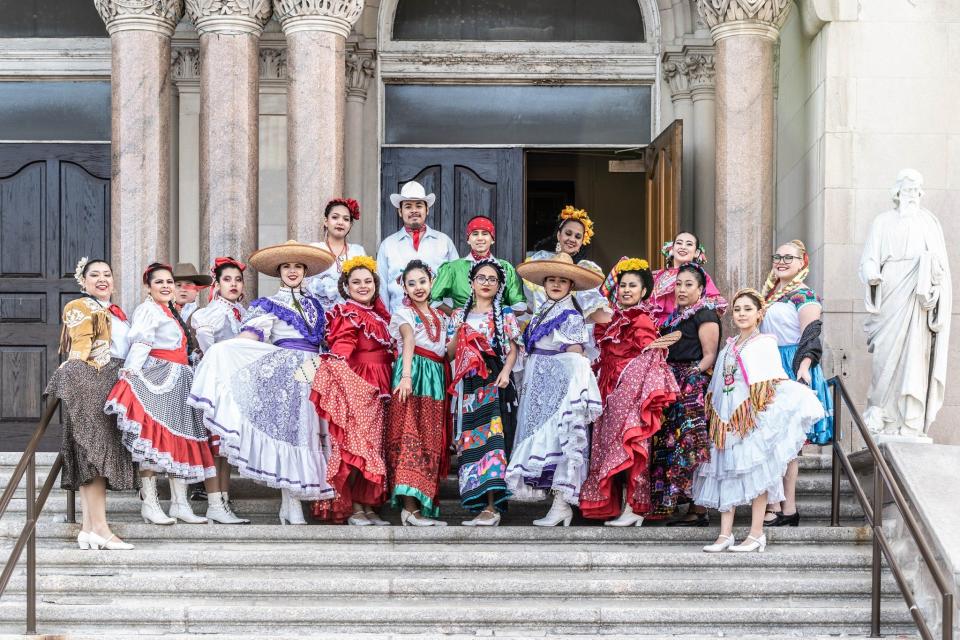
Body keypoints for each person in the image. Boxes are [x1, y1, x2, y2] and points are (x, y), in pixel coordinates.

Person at [188, 241, 336, 525]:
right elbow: (251, 338)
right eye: (287, 267)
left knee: (307, 433)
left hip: (313, 371)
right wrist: (222, 350)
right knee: (289, 433)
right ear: (279, 272)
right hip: (288, 374)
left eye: (297, 266)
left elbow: (324, 342)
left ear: (305, 271)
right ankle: (289, 503)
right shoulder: (269, 304)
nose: (292, 271)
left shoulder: (316, 305)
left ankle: (294, 503)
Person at [695, 289, 825, 553]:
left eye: (748, 309)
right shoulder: (728, 348)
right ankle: (725, 534)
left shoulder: (765, 343)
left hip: (752, 419)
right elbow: (720, 385)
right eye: (738, 309)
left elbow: (771, 382)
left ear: (759, 314)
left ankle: (756, 534)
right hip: (728, 420)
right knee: (726, 474)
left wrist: (758, 414)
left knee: (757, 475)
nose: (742, 314)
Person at [104, 263, 218, 526]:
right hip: (159, 374)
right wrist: (130, 372)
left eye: (169, 282)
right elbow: (142, 342)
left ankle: (180, 504)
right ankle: (150, 503)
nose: (166, 286)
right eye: (160, 282)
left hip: (179, 377)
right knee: (152, 437)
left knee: (176, 439)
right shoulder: (148, 310)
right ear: (149, 287)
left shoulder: (169, 311)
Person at [45, 258, 137, 550]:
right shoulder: (81, 306)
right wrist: (72, 370)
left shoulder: (116, 312)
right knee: (94, 453)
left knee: (92, 452)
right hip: (93, 378)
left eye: (107, 274)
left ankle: (88, 528)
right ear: (82, 282)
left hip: (111, 381)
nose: (102, 279)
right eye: (94, 275)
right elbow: (81, 343)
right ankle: (101, 528)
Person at [506, 252, 603, 526]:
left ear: (571, 286)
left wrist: (572, 393)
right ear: (545, 284)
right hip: (539, 380)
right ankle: (557, 505)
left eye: (563, 281)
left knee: (560, 439)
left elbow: (574, 352)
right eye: (552, 280)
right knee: (545, 439)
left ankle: (562, 505)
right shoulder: (543, 310)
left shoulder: (569, 314)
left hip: (556, 383)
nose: (557, 285)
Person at [580, 259, 680, 527]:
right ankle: (615, 506)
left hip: (630, 391)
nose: (625, 290)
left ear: (644, 291)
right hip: (608, 389)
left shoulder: (641, 318)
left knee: (631, 446)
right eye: (622, 285)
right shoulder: (613, 316)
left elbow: (650, 355)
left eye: (632, 286)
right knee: (609, 446)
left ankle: (634, 507)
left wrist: (633, 390)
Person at [858, 168, 952, 437]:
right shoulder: (882, 222)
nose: (912, 195)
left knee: (915, 356)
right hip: (889, 291)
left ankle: (909, 418)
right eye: (908, 189)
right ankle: (881, 413)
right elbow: (869, 258)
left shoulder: (929, 223)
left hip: (917, 296)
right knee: (884, 358)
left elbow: (941, 269)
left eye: (916, 190)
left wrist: (935, 289)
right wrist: (872, 273)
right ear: (897, 192)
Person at [310, 256, 395, 526]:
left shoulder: (380, 316)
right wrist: (344, 376)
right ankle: (355, 507)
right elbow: (343, 346)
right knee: (357, 446)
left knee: (374, 447)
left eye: (367, 281)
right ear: (345, 286)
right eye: (356, 282)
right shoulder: (347, 312)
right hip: (360, 383)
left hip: (382, 384)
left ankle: (369, 506)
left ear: (375, 284)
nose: (362, 286)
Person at [760, 240, 833, 527]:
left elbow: (811, 337)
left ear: (802, 261)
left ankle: (786, 506)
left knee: (788, 444)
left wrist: (802, 371)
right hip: (766, 366)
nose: (781, 261)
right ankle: (776, 503)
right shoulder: (770, 294)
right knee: (769, 441)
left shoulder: (804, 295)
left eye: (788, 257)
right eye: (777, 256)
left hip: (791, 366)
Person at [447, 259, 523, 526]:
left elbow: (514, 348)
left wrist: (506, 371)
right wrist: (458, 333)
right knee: (471, 446)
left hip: (495, 381)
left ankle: (493, 507)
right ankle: (480, 506)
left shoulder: (505, 314)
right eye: (482, 278)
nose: (487, 283)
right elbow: (450, 352)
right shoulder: (459, 315)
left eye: (492, 279)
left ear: (499, 285)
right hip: (469, 386)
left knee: (493, 445)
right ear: (472, 282)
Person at [648, 263, 720, 525]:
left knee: (691, 444)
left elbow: (710, 355)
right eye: (678, 284)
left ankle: (699, 509)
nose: (682, 289)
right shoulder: (671, 320)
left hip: (693, 385)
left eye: (688, 284)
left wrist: (689, 377)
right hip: (670, 383)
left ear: (700, 289)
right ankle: (678, 502)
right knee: (671, 443)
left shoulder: (705, 314)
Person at [187, 256, 251, 524]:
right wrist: (216, 358)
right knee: (214, 444)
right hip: (216, 382)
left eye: (237, 280)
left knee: (223, 446)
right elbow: (203, 334)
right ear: (217, 284)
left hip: (231, 384)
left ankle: (223, 501)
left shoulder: (241, 312)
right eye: (227, 279)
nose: (233, 284)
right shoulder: (214, 310)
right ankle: (214, 502)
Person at [386, 260, 450, 526]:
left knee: (430, 441)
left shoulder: (441, 316)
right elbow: (409, 339)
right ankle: (409, 509)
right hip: (413, 373)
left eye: (422, 281)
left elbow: (447, 352)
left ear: (431, 281)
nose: (418, 287)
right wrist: (407, 377)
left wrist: (467, 328)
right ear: (404, 287)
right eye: (411, 283)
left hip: (435, 375)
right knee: (410, 437)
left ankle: (422, 508)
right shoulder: (404, 314)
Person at [525, 206, 608, 359]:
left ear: (582, 241)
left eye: (577, 236)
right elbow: (530, 305)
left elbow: (596, 313)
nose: (572, 239)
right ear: (558, 235)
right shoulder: (540, 261)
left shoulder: (585, 271)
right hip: (540, 340)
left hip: (568, 343)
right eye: (568, 233)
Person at [377, 181, 459, 313]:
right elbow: (381, 288)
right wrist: (387, 322)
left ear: (427, 210)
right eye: (408, 206)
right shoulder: (387, 245)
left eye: (419, 206)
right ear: (400, 211)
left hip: (439, 321)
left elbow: (457, 282)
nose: (414, 210)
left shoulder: (444, 242)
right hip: (399, 320)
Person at [430, 215, 525, 313]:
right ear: (468, 239)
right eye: (475, 234)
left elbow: (519, 306)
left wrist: (496, 318)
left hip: (497, 326)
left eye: (485, 233)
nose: (480, 238)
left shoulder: (505, 267)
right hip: (461, 326)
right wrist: (457, 316)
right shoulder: (453, 269)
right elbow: (434, 299)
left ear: (492, 239)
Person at [644, 232, 726, 325]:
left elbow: (715, 301)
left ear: (696, 252)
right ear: (672, 249)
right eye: (679, 243)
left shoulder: (700, 275)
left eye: (689, 244)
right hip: (654, 327)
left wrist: (690, 310)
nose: (683, 247)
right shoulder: (658, 275)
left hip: (684, 326)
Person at [306, 198, 367, 309]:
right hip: (318, 318)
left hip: (350, 319)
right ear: (326, 221)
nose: (340, 222)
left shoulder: (358, 252)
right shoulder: (314, 250)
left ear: (350, 224)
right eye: (335, 217)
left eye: (346, 219)